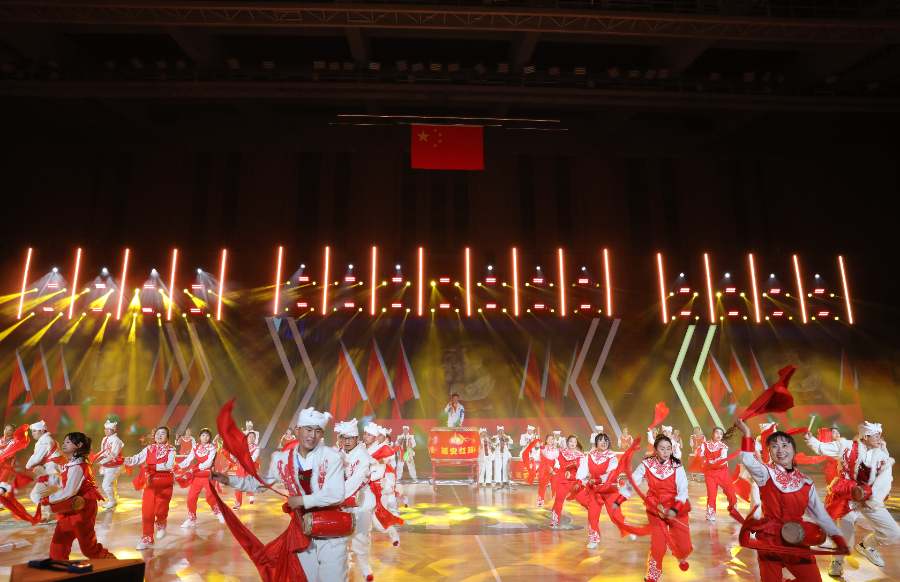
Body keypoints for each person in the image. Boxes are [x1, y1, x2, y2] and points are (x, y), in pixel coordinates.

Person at [212, 407, 349, 582]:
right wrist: (228, 480)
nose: (312, 435)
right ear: (298, 430)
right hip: (301, 530)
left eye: (317, 431)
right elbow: (259, 483)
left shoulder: (332, 458)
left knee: (334, 578)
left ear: (322, 433)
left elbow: (336, 494)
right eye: (308, 429)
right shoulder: (283, 460)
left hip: (331, 530)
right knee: (308, 578)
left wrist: (301, 500)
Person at [736, 419, 846, 581]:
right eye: (774, 446)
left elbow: (820, 514)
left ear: (794, 450)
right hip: (770, 540)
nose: (780, 450)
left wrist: (837, 537)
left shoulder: (806, 482)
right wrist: (746, 433)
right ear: (770, 452)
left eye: (785, 445)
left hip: (797, 538)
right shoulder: (765, 473)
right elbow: (747, 460)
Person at [805, 421, 899, 576]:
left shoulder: (882, 455)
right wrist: (810, 439)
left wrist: (872, 499)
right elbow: (822, 447)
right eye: (876, 436)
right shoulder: (846, 446)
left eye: (880, 435)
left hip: (871, 498)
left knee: (893, 532)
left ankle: (867, 546)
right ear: (865, 437)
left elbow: (884, 480)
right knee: (845, 534)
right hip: (848, 497)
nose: (880, 438)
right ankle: (837, 562)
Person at [613, 435, 691, 581]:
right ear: (655, 449)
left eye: (669, 448)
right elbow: (632, 482)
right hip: (655, 508)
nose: (666, 452)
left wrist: (675, 509)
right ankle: (653, 574)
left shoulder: (677, 465)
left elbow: (683, 489)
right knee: (658, 546)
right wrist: (619, 500)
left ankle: (681, 556)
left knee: (684, 547)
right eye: (662, 448)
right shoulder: (647, 464)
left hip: (676, 507)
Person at [41, 433, 115, 560]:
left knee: (88, 547)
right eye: (63, 442)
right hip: (72, 505)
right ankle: (58, 565)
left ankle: (112, 564)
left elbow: (69, 491)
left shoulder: (77, 466)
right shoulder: (73, 463)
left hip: (82, 507)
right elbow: (68, 484)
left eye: (68, 442)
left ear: (79, 445)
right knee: (60, 540)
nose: (64, 444)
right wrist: (50, 480)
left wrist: (48, 499)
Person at [574, 433, 635, 548]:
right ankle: (594, 540)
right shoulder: (590, 456)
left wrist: (598, 479)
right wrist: (578, 481)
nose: (604, 442)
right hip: (594, 489)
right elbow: (583, 469)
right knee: (592, 515)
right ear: (595, 443)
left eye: (606, 440)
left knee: (614, 514)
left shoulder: (612, 457)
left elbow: (611, 473)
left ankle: (628, 529)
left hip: (609, 489)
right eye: (601, 440)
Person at [124, 426, 176, 550]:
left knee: (160, 509)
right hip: (150, 483)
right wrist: (127, 460)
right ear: (154, 436)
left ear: (167, 437)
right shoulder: (148, 448)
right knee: (147, 511)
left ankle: (161, 522)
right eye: (157, 433)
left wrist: (153, 467)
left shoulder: (171, 449)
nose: (159, 435)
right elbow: (137, 458)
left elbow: (169, 465)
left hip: (165, 483)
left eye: (163, 433)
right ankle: (147, 538)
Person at [340, 419, 378, 582]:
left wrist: (329, 496)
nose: (347, 441)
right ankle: (346, 567)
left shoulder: (362, 457)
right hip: (342, 501)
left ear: (357, 438)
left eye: (351, 438)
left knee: (362, 536)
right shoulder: (338, 453)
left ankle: (364, 566)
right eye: (344, 438)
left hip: (362, 500)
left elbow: (352, 484)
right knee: (342, 537)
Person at [178, 428, 225, 527]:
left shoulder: (212, 448)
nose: (205, 437)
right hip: (198, 475)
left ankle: (218, 512)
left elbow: (208, 463)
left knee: (210, 497)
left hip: (208, 475)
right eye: (203, 435)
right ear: (199, 437)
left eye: (207, 435)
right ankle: (191, 518)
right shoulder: (195, 447)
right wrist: (178, 466)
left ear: (210, 437)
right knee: (191, 498)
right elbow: (188, 459)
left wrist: (195, 469)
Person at [365, 423, 401, 547]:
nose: (366, 437)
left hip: (378, 489)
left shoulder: (380, 451)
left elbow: (380, 473)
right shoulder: (361, 449)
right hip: (364, 489)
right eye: (365, 434)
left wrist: (365, 477)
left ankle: (393, 534)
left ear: (375, 438)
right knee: (362, 521)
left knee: (379, 523)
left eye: (369, 435)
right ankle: (362, 547)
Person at [26, 420, 66, 523]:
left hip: (51, 471)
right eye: (32, 431)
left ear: (42, 431)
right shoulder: (46, 440)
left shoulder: (46, 441)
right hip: (52, 470)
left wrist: (28, 466)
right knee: (51, 495)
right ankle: (59, 514)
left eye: (35, 431)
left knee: (36, 495)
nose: (32, 433)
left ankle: (54, 513)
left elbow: (36, 458)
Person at [700, 427, 737, 522]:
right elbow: (699, 456)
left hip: (722, 473)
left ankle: (734, 510)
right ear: (713, 434)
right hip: (710, 474)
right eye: (717, 433)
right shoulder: (705, 445)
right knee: (712, 494)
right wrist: (704, 461)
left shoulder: (723, 447)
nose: (719, 435)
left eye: (721, 434)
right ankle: (710, 513)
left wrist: (710, 461)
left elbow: (721, 461)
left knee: (731, 492)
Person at [550, 435, 584, 528]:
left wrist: (575, 470)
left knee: (584, 500)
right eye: (571, 441)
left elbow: (582, 471)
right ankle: (554, 521)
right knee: (559, 499)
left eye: (575, 442)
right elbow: (550, 456)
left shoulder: (580, 456)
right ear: (567, 442)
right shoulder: (560, 452)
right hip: (562, 479)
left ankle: (595, 513)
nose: (573, 443)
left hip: (574, 481)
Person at [97, 420, 124, 509]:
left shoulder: (116, 440)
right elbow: (103, 451)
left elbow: (114, 455)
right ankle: (114, 499)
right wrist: (95, 457)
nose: (106, 431)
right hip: (108, 465)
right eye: (105, 429)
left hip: (115, 465)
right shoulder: (105, 439)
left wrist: (101, 462)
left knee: (106, 484)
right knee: (111, 483)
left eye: (109, 429)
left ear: (113, 430)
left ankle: (112, 501)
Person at [233, 431, 260, 510]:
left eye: (253, 437)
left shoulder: (257, 447)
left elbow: (253, 458)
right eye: (250, 437)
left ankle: (251, 495)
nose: (251, 439)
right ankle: (237, 504)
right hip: (240, 468)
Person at [537, 434, 558, 508]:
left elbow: (558, 460)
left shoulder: (556, 450)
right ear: (546, 440)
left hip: (554, 469)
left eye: (552, 439)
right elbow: (537, 455)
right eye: (549, 438)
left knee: (555, 485)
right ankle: (541, 500)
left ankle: (556, 500)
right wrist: (532, 458)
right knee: (543, 485)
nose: (551, 440)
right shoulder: (542, 448)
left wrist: (555, 469)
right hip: (545, 469)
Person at [491, 427, 514, 491]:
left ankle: (505, 481)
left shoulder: (507, 437)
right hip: (497, 455)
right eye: (500, 430)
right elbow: (493, 443)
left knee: (505, 468)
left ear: (504, 431)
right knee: (497, 468)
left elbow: (511, 442)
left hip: (505, 455)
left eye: (502, 430)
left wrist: (505, 437)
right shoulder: (495, 437)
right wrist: (499, 438)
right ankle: (497, 481)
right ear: (498, 431)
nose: (501, 432)